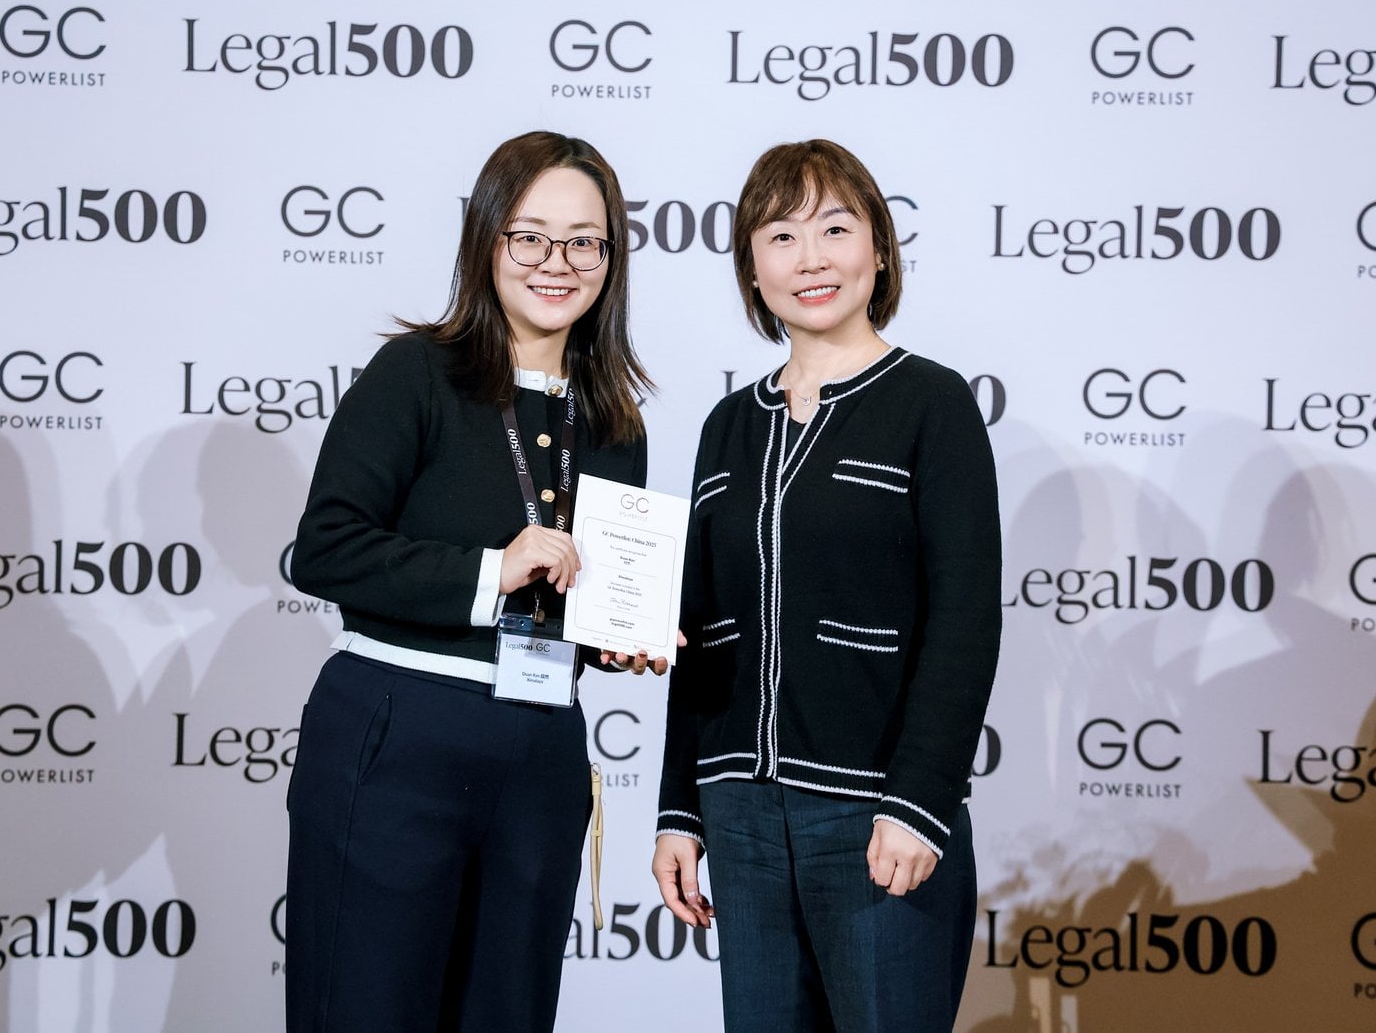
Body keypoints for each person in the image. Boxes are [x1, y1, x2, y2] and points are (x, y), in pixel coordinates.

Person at [286, 130, 662, 1032]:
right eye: (529, 236)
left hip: (541, 755)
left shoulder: (616, 420)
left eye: (583, 241)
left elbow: (579, 598)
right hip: (399, 735)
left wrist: (619, 637)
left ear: (611, 258)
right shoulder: (418, 371)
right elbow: (325, 549)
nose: (556, 262)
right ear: (487, 240)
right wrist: (496, 568)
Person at [653, 139, 1002, 1031]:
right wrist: (678, 809)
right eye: (781, 236)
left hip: (875, 810)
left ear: (878, 249)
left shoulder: (932, 403)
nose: (810, 258)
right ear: (752, 269)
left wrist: (920, 803)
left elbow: (964, 620)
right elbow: (700, 632)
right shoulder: (727, 426)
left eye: (835, 229)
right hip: (739, 814)